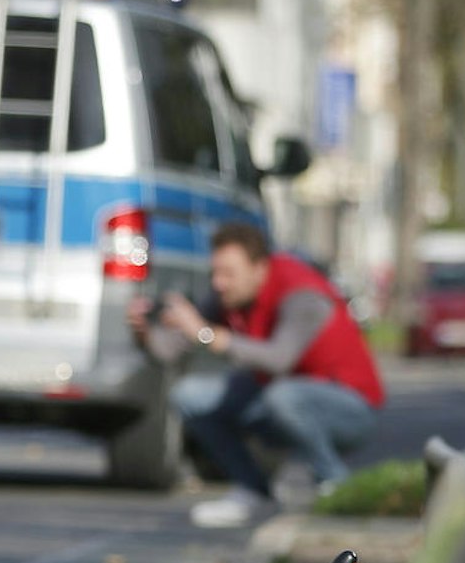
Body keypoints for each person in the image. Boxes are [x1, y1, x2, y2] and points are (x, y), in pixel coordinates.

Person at [128, 223, 384, 528]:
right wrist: (144, 333)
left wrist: (205, 333)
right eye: (215, 273)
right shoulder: (231, 296)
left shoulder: (302, 294)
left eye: (228, 274)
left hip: (349, 409)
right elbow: (168, 352)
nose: (219, 283)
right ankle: (253, 491)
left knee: (282, 395)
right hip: (279, 402)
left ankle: (335, 484)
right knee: (188, 395)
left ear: (259, 268)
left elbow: (278, 359)